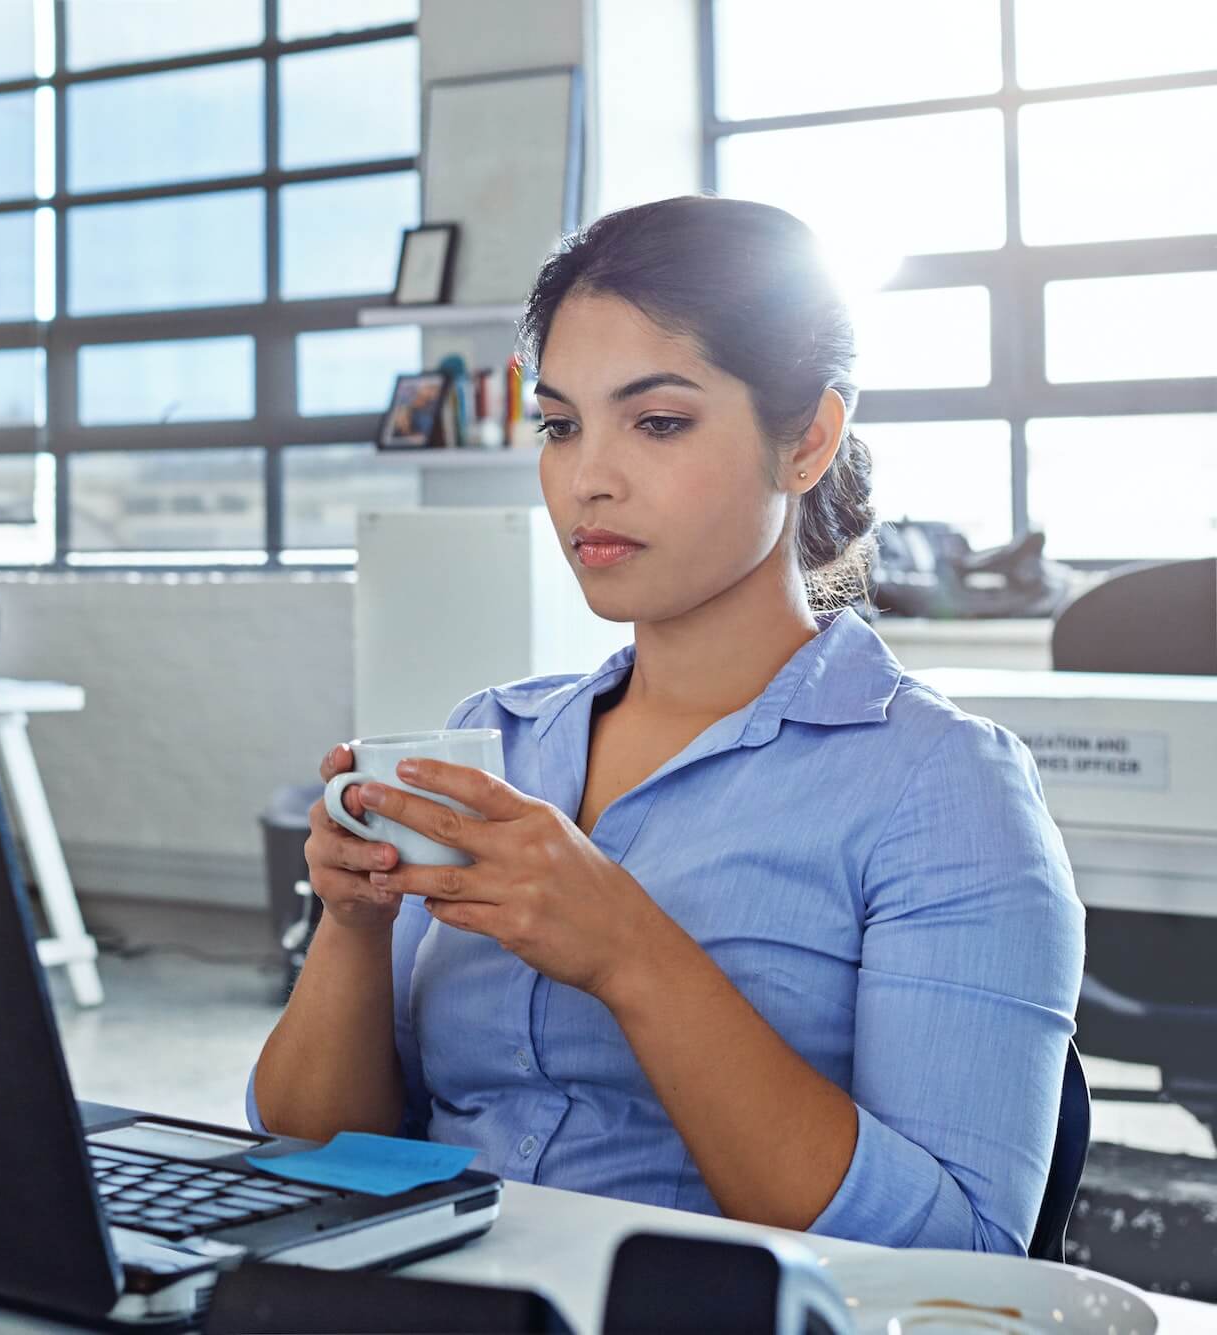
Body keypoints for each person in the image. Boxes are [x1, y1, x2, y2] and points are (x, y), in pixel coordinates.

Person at [246, 195, 1083, 1255]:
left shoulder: (939, 789)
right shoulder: (489, 739)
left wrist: (629, 953)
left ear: (807, 439)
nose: (587, 479)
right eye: (558, 426)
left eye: (657, 421)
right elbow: (314, 1155)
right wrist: (353, 929)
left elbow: (961, 1259)